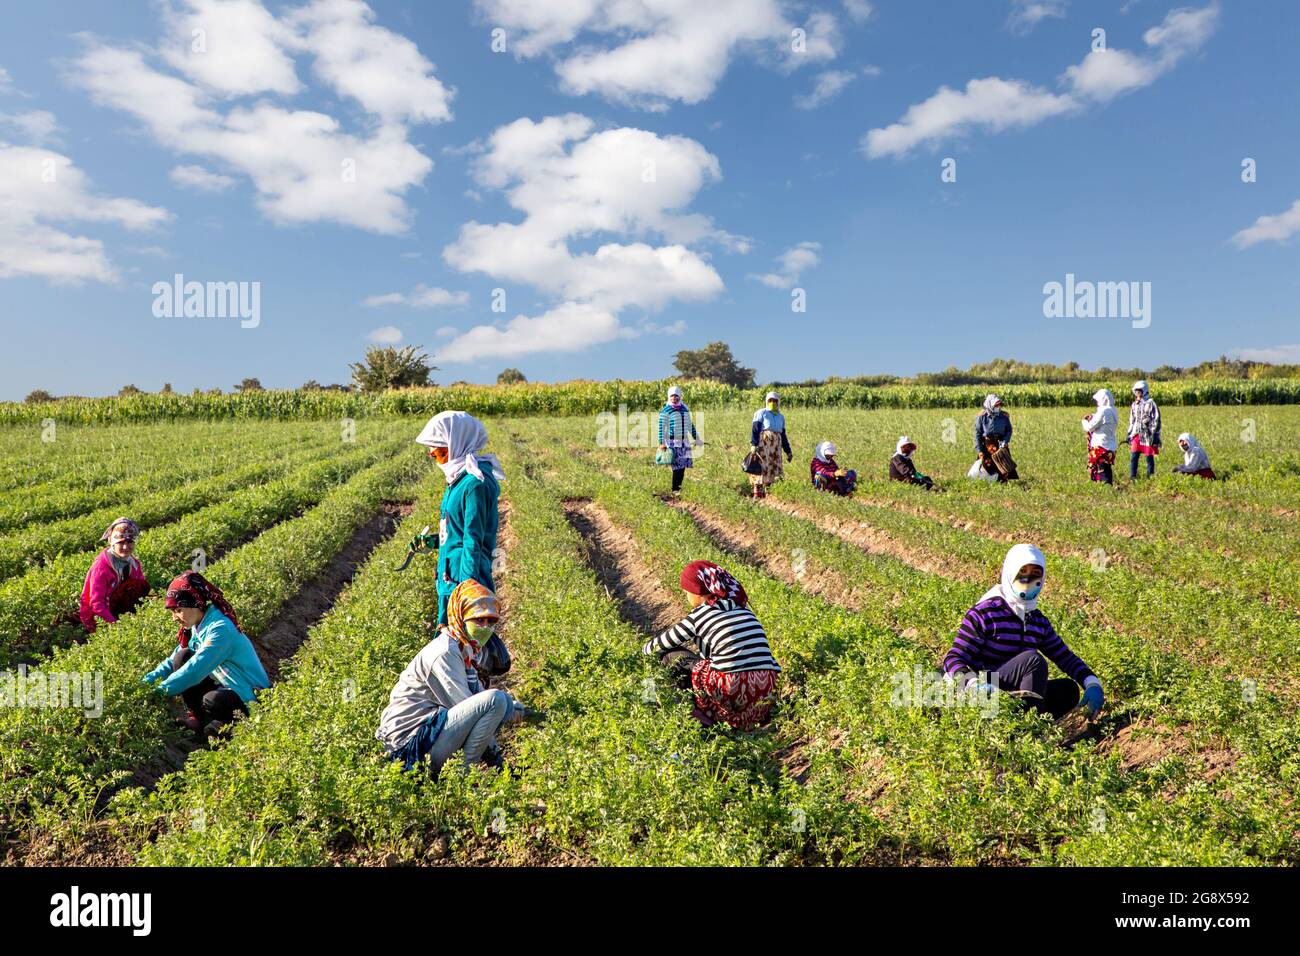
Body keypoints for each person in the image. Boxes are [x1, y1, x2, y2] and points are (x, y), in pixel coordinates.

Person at [377, 580, 526, 774]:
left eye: (491, 621)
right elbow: (470, 705)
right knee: (496, 700)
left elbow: (477, 698)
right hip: (410, 747)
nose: (485, 627)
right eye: (478, 620)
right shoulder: (445, 652)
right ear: (460, 616)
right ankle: (462, 774)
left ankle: (472, 769)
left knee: (503, 700)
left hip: (431, 732)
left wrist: (515, 709)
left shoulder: (464, 648)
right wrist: (498, 761)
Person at [942, 544, 1103, 720]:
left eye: (1036, 573)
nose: (1028, 579)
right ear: (1010, 573)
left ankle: (1021, 722)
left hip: (1013, 695)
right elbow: (953, 659)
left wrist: (1092, 683)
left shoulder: (1037, 621)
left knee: (1068, 690)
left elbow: (1065, 657)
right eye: (1022, 572)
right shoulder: (984, 614)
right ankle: (1025, 731)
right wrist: (973, 684)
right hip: (983, 696)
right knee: (1033, 661)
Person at [644, 561, 780, 730]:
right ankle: (747, 717)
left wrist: (637, 657)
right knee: (712, 663)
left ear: (697, 592)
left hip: (731, 687)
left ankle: (702, 720)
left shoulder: (700, 614)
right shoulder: (742, 608)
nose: (686, 597)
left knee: (669, 656)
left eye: (687, 592)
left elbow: (654, 647)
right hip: (766, 686)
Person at [143, 571, 269, 736]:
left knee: (212, 700)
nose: (174, 618)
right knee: (182, 657)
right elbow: (172, 661)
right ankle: (200, 720)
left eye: (178, 610)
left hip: (248, 695)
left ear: (196, 604)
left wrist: (158, 692)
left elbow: (195, 670)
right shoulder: (198, 627)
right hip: (226, 687)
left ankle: (234, 727)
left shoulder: (220, 629)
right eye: (172, 612)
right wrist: (143, 686)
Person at [414, 411, 505, 626]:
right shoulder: (458, 479)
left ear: (455, 442)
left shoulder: (474, 484)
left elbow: (473, 541)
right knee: (451, 651)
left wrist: (466, 590)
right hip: (449, 581)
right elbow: (457, 532)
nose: (431, 453)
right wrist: (434, 542)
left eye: (437, 448)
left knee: (465, 651)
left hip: (463, 583)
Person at [79, 517, 151, 633]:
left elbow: (141, 592)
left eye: (130, 542)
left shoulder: (134, 564)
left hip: (116, 606)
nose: (125, 547)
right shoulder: (101, 567)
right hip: (97, 615)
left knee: (139, 585)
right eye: (121, 542)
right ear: (112, 542)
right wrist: (115, 626)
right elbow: (96, 604)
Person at [657, 385, 702, 495]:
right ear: (669, 397)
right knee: (677, 467)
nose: (674, 398)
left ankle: (678, 489)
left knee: (682, 467)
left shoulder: (684, 409)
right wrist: (661, 443)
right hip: (672, 442)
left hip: (683, 441)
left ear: (679, 396)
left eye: (676, 396)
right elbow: (661, 428)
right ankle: (675, 490)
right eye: (672, 396)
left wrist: (696, 438)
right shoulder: (666, 410)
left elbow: (689, 425)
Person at [749, 391, 792, 499]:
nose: (772, 402)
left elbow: (783, 434)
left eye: (775, 401)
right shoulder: (761, 413)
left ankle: (768, 492)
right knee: (761, 464)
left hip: (776, 446)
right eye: (770, 400)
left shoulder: (780, 417)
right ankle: (757, 491)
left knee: (772, 466)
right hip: (764, 444)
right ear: (766, 401)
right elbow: (755, 429)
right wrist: (754, 444)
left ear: (778, 402)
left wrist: (788, 451)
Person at [1081, 388, 1119, 484]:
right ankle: (1108, 486)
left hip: (1101, 445)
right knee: (1106, 468)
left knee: (1102, 469)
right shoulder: (1112, 410)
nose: (1097, 403)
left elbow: (1090, 427)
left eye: (1098, 400)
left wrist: (1084, 421)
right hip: (1110, 446)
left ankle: (1107, 487)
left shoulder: (1103, 412)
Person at [1127, 380, 1161, 480]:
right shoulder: (1134, 404)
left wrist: (1155, 434)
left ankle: (1150, 476)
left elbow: (1156, 419)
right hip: (1136, 433)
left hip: (1148, 434)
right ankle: (1132, 476)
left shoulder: (1151, 403)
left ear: (1144, 390)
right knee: (1134, 456)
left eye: (1139, 390)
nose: (1137, 392)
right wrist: (1129, 433)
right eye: (1136, 390)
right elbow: (1132, 420)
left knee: (1149, 457)